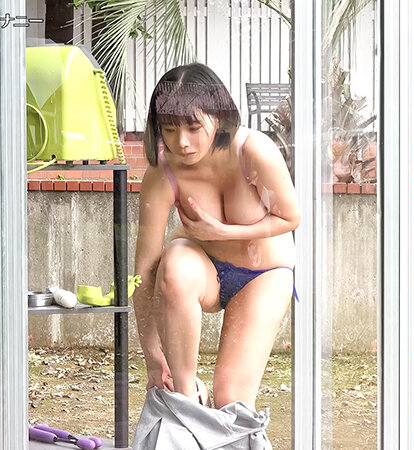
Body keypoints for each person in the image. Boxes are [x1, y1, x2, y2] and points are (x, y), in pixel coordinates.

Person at [132, 63, 300, 411]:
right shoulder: (163, 172)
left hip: (263, 274)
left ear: (219, 118)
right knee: (174, 262)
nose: (182, 142)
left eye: (194, 127)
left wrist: (224, 232)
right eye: (169, 129)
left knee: (230, 401)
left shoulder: (253, 150)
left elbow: (291, 217)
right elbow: (144, 270)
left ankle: (217, 408)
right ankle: (187, 396)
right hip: (204, 271)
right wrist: (152, 355)